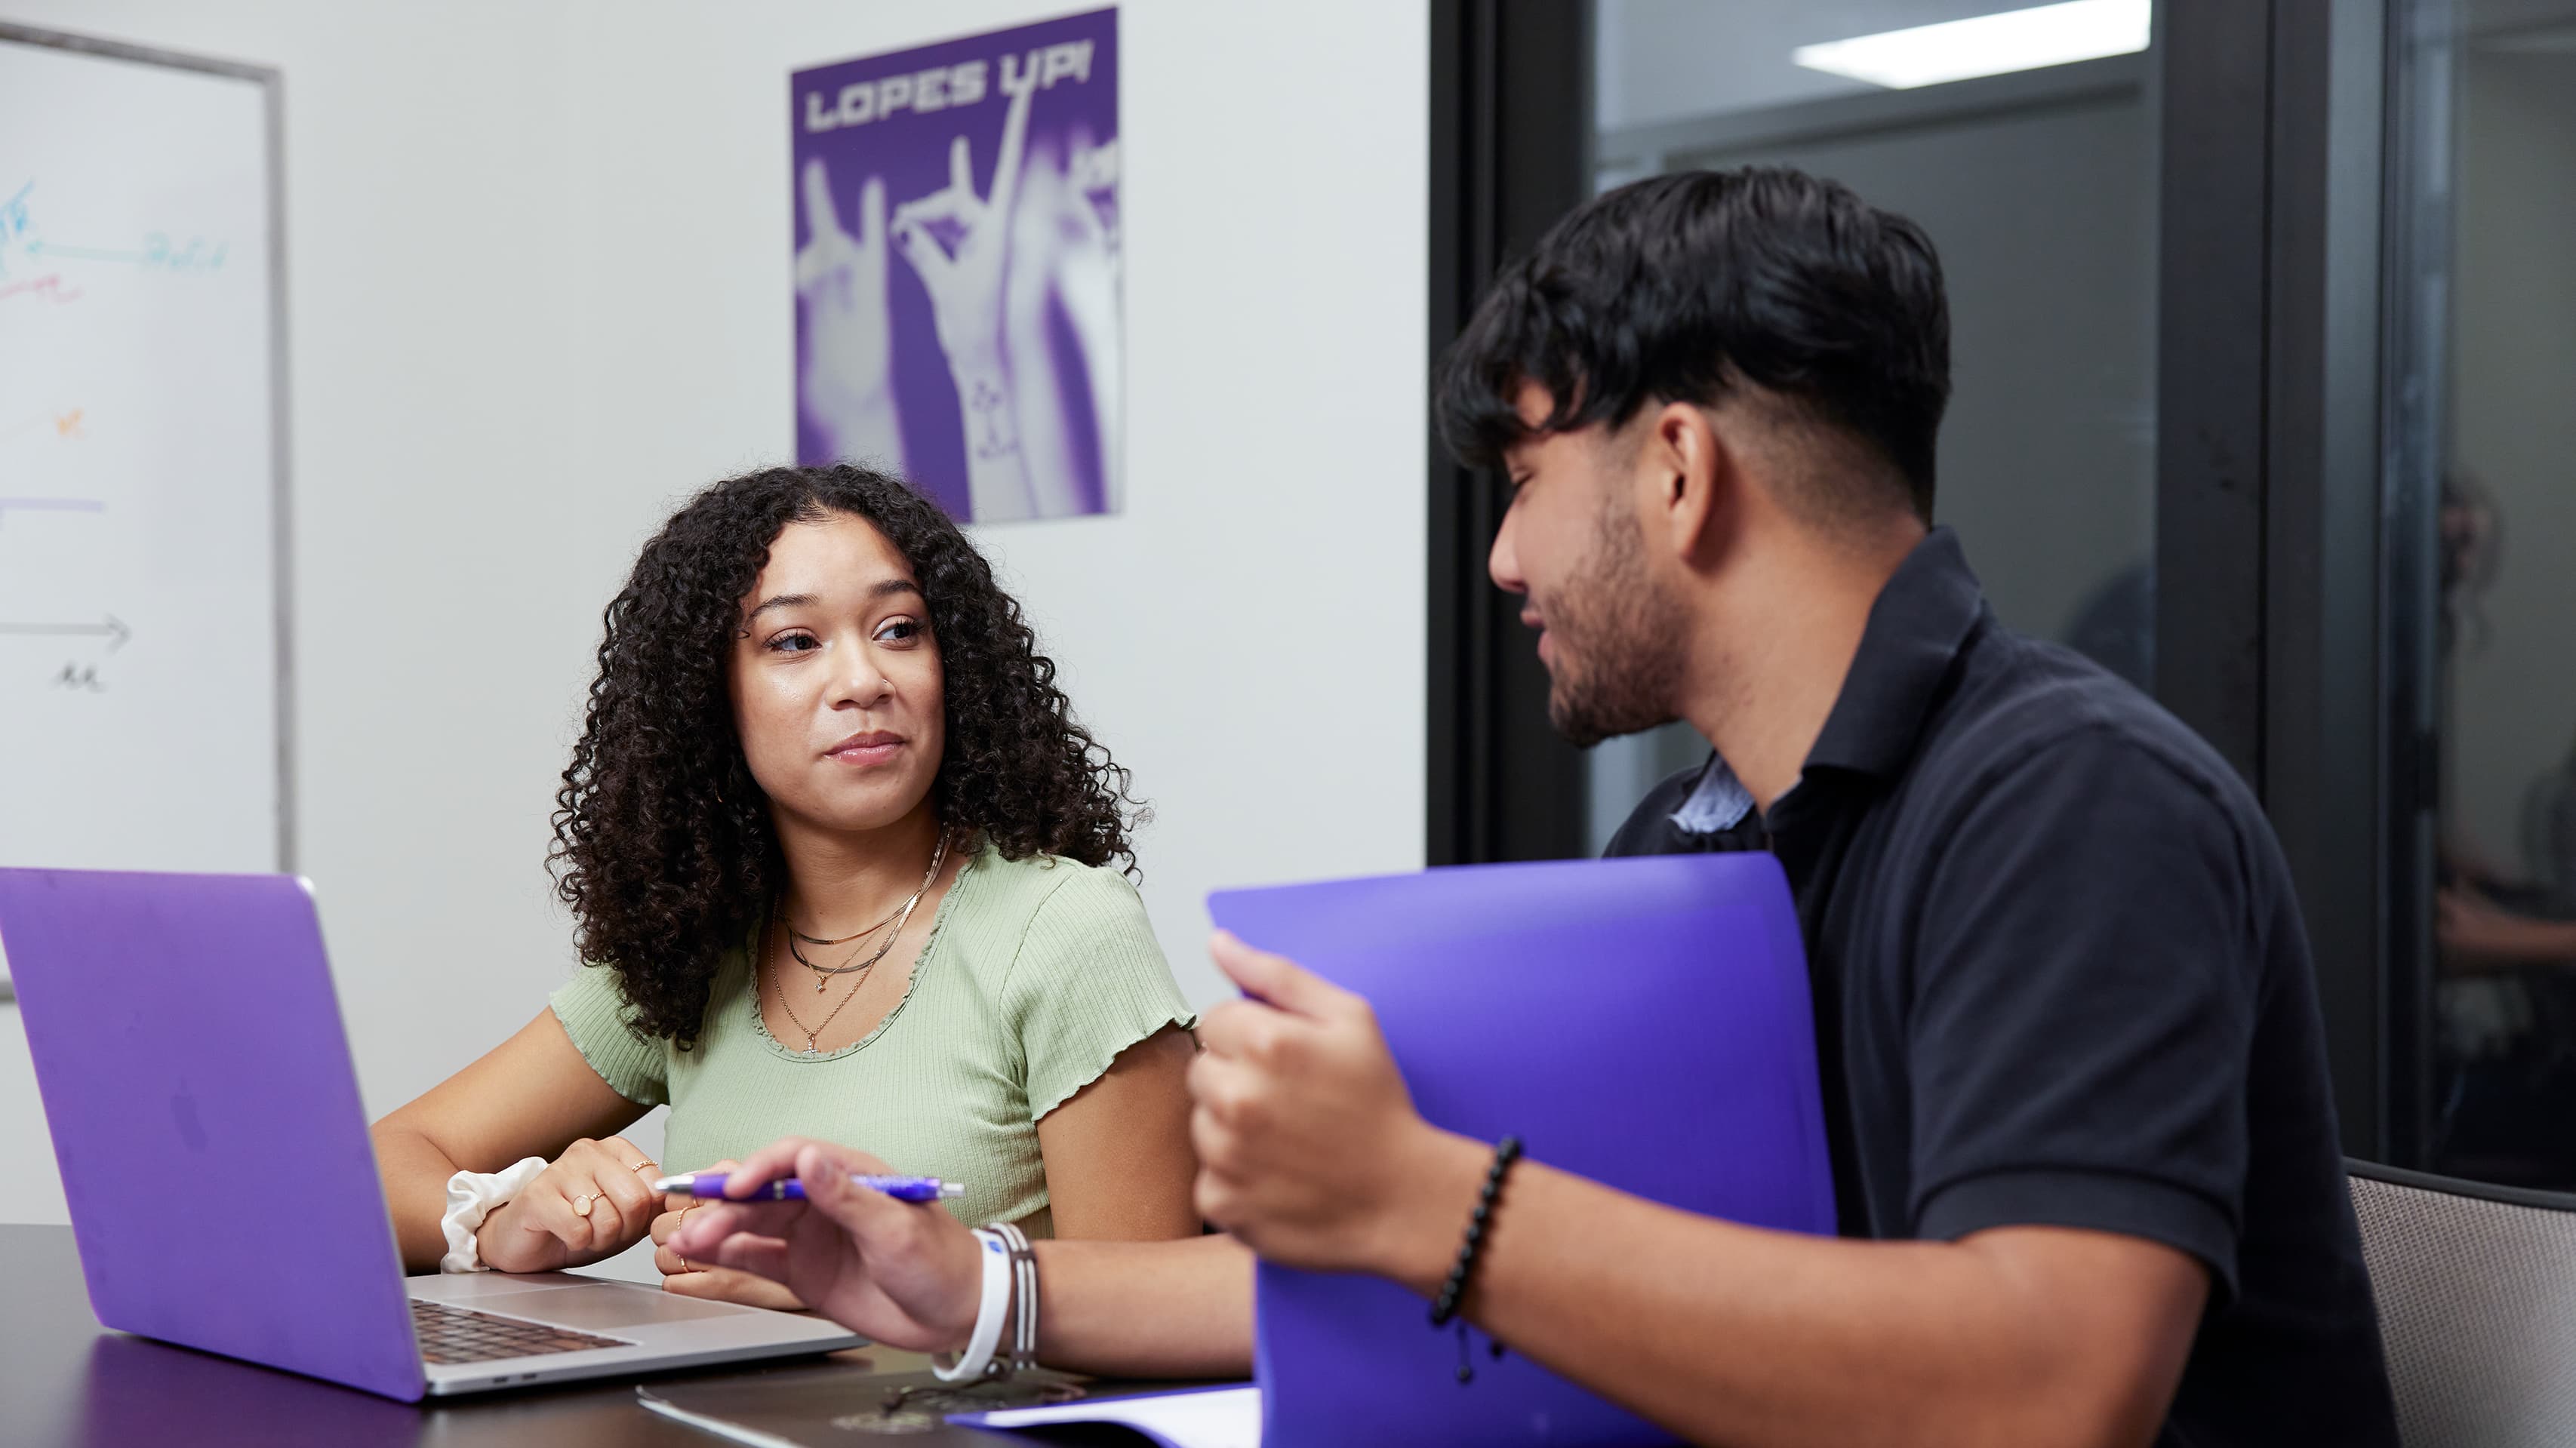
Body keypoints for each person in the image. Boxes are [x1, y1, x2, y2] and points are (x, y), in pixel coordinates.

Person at [674, 169, 2399, 1444]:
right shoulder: (1691, 847)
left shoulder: (2069, 805)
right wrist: (971, 1289)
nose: (1500, 558)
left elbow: (2046, 1382)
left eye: (1518, 484)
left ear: (1672, 468)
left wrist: (1426, 1195)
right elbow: (1407, 1256)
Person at [370, 464, 1200, 1305]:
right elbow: (376, 1165)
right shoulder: (693, 955)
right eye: (794, 642)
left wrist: (848, 1293)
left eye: (901, 629)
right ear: (708, 699)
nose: (864, 680)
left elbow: (1156, 1317)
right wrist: (499, 1217)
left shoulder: (1066, 930)